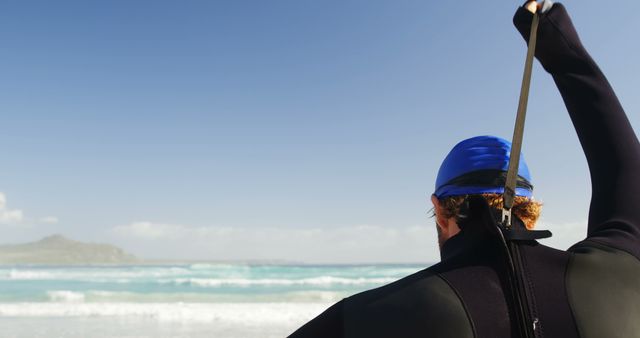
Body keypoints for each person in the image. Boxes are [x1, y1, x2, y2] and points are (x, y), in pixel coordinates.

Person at [289, 1, 640, 337]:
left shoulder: (365, 317)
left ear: (440, 209)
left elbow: (624, 168)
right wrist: (556, 42)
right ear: (529, 210)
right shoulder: (620, 275)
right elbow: (624, 168)